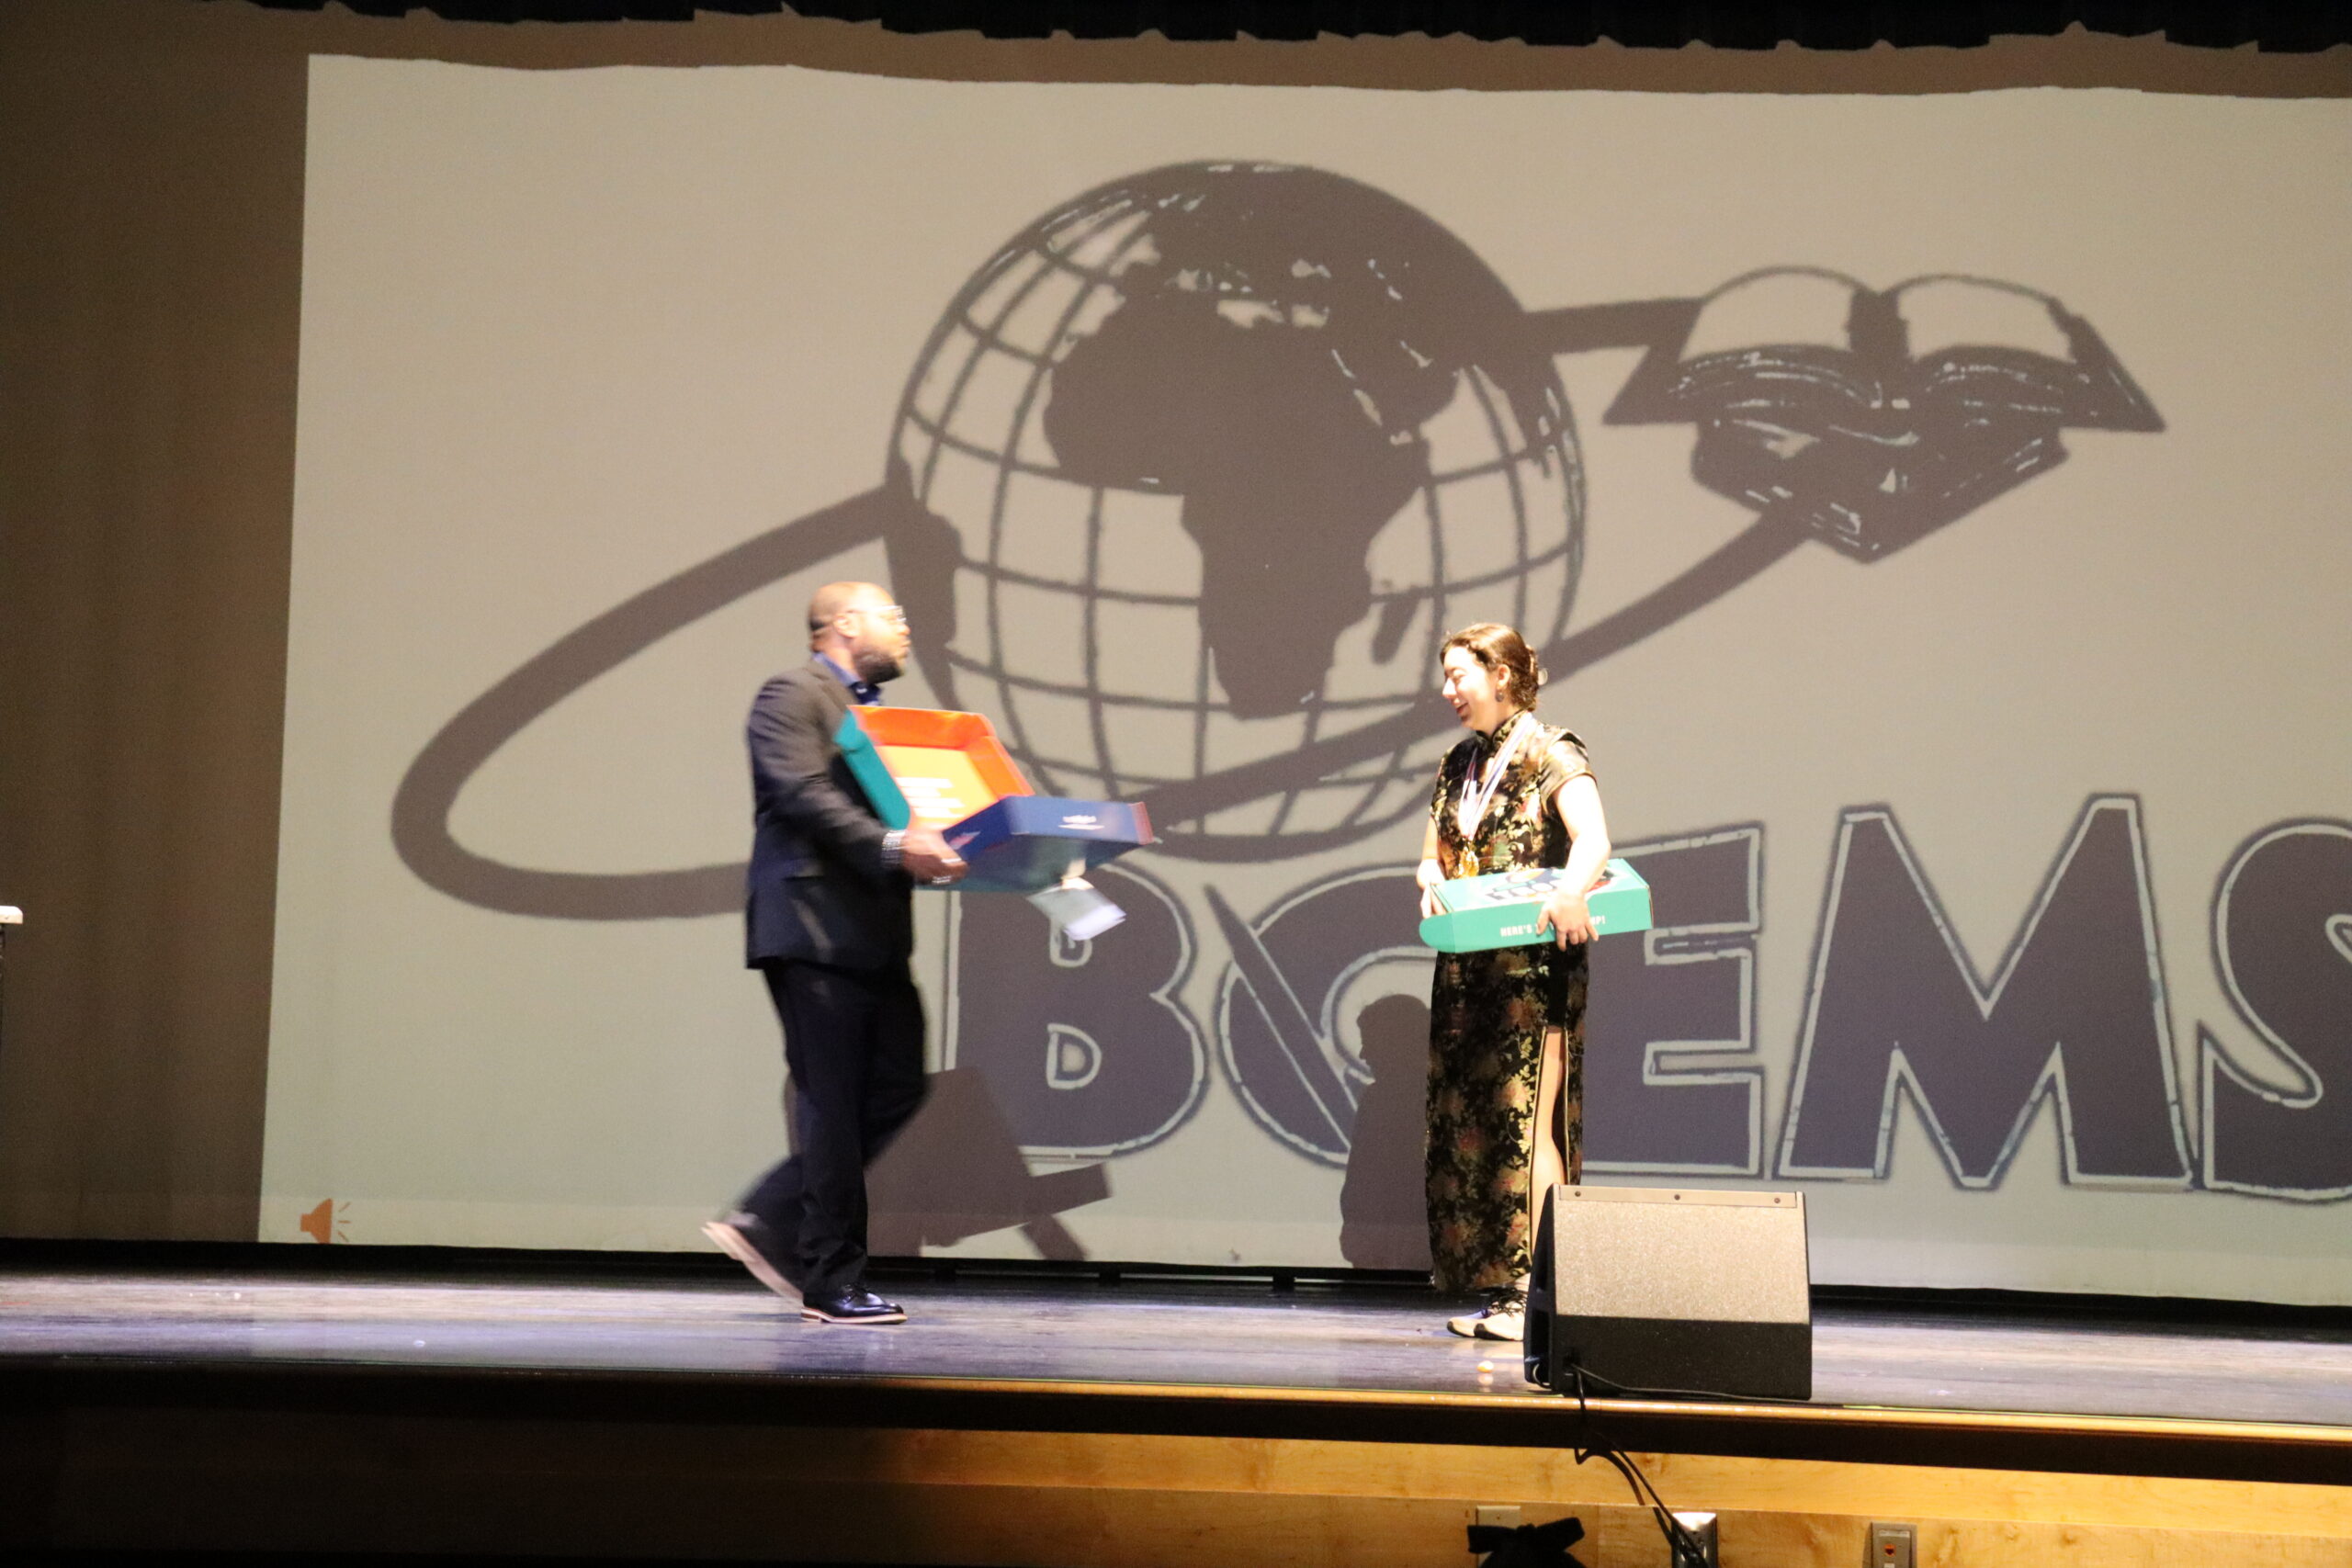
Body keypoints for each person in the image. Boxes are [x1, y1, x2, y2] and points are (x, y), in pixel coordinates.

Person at [704, 581, 967, 1325]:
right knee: (833, 1102)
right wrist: (896, 845)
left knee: (896, 1086)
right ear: (846, 623)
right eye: (893, 615)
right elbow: (802, 793)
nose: (906, 627)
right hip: (812, 926)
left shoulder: (881, 719)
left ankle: (772, 1217)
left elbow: (916, 813)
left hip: (873, 932)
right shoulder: (793, 694)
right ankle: (828, 1277)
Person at [1416, 622, 1612, 1342]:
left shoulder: (1551, 751)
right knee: (1478, 1131)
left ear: (1500, 674)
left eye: (1458, 675)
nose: (1448, 690)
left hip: (1531, 970)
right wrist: (1430, 877)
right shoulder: (1460, 761)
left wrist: (1572, 890)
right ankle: (1506, 1290)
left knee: (1527, 1123)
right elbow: (1434, 853)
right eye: (1445, 676)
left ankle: (1540, 1292)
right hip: (1468, 966)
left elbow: (1593, 839)